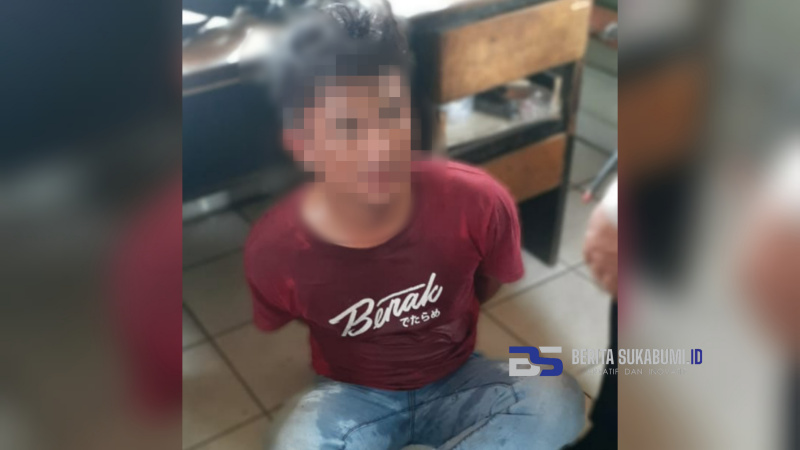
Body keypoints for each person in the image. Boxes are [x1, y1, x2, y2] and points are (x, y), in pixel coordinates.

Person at [244, 4, 584, 449]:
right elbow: (283, 312)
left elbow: (488, 283)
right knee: (291, 443)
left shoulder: (480, 201)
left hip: (460, 373)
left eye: (390, 115)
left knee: (558, 390)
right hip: (350, 392)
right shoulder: (275, 247)